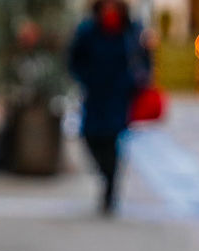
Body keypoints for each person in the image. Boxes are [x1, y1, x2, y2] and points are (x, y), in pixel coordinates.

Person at [69, 0, 151, 214]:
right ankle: (105, 175)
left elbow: (144, 60)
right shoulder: (88, 30)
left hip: (119, 95)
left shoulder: (131, 30)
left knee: (112, 141)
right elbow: (74, 58)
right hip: (95, 94)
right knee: (90, 136)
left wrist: (135, 82)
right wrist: (86, 78)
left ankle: (110, 189)